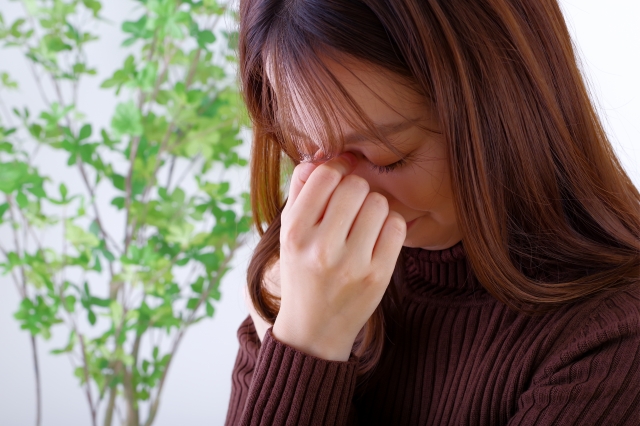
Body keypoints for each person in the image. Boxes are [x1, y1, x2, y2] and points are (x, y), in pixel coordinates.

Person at [225, 0, 640, 424]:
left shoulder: (613, 338)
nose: (338, 194)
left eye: (387, 157)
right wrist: (303, 337)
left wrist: (306, 347)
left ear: (506, 112)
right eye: (304, 149)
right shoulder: (308, 277)